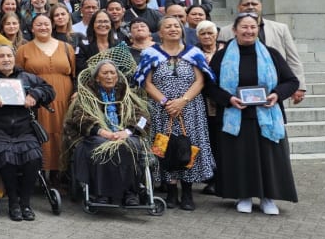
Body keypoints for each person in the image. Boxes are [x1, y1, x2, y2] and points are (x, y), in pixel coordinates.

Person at [204, 13, 299, 215]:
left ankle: (268, 198)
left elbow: (291, 81)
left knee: (269, 160)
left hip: (267, 116)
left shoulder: (271, 54)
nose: (249, 31)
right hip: (235, 116)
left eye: (253, 27)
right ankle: (244, 196)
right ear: (235, 30)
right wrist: (228, 99)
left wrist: (276, 94)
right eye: (244, 27)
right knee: (240, 159)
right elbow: (209, 85)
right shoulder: (222, 56)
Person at [0, 44, 55, 221]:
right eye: (1, 56)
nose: (6, 59)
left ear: (14, 59)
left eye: (9, 56)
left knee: (34, 157)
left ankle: (25, 203)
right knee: (6, 156)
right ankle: (13, 202)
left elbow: (50, 91)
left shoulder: (27, 78)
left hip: (24, 129)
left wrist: (35, 94)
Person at [135, 16, 216, 210]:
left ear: (182, 30)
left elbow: (200, 81)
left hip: (190, 108)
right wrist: (166, 103)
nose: (173, 29)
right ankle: (170, 191)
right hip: (161, 109)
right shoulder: (150, 53)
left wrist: (182, 101)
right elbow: (146, 83)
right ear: (160, 33)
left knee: (189, 146)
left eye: (176, 26)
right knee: (165, 146)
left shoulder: (194, 52)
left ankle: (187, 192)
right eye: (168, 26)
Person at [63, 54, 150, 207]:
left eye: (112, 73)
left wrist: (127, 132)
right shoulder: (86, 95)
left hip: (124, 134)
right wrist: (104, 133)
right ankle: (102, 193)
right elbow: (80, 118)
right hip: (98, 135)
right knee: (102, 146)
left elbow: (143, 118)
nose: (109, 76)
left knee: (128, 145)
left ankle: (130, 193)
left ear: (117, 76)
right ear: (97, 78)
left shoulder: (127, 94)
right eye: (105, 73)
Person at [15, 13, 76, 178]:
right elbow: (18, 77)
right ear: (32, 28)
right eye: (39, 24)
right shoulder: (23, 50)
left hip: (64, 98)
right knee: (41, 132)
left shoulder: (66, 48)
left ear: (52, 26)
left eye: (46, 24)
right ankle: (39, 174)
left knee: (63, 132)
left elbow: (74, 74)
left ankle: (61, 175)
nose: (43, 27)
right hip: (38, 101)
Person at [218, 0, 306, 104]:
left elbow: (293, 59)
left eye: (254, 4)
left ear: (261, 6)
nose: (250, 7)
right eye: (246, 4)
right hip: (237, 93)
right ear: (239, 7)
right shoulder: (225, 31)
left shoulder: (281, 28)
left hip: (275, 88)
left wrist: (300, 86)